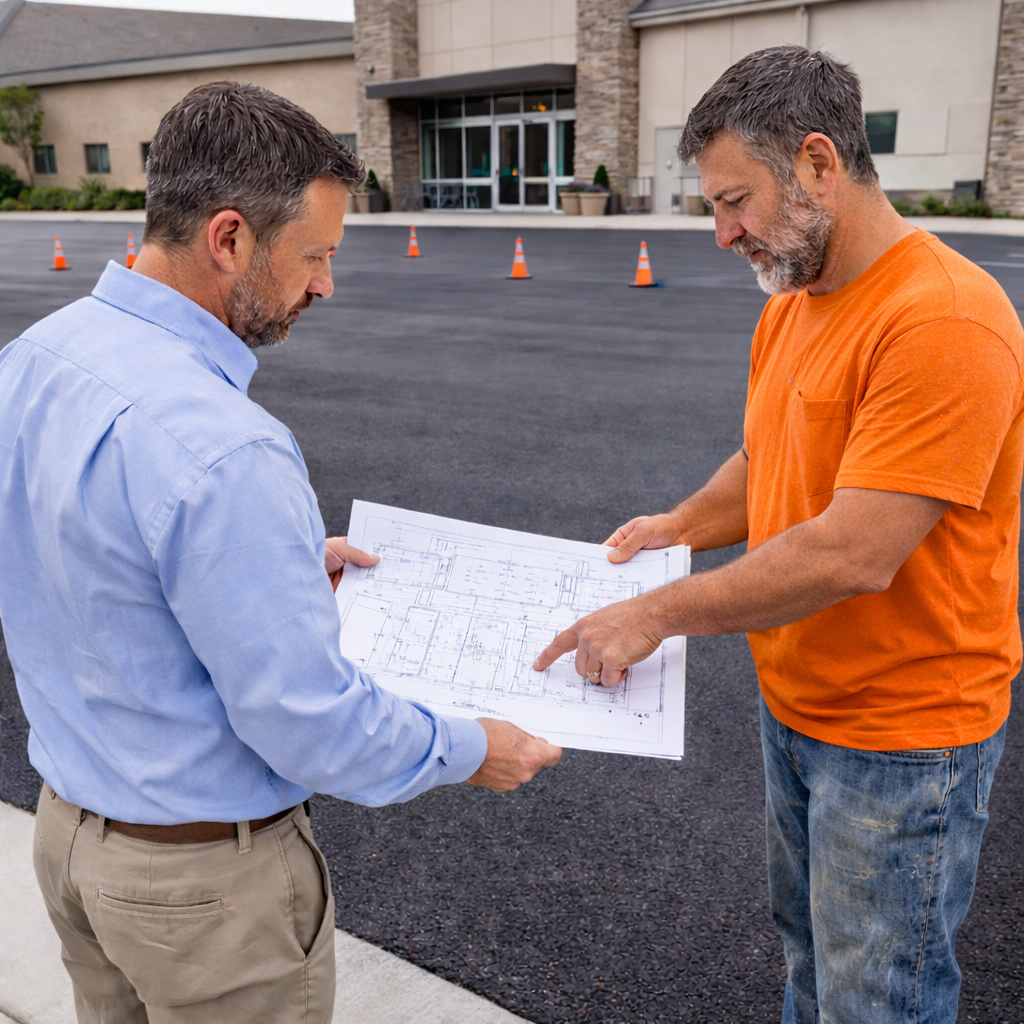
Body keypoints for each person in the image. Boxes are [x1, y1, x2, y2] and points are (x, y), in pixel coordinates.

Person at [0, 81, 560, 1024]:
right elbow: (308, 723)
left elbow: (71, 557)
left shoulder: (34, 359)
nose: (325, 285)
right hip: (201, 897)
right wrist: (474, 749)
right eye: (316, 255)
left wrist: (273, 570)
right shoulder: (228, 449)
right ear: (229, 238)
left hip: (68, 841)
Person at [535, 46, 1021, 1024]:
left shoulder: (944, 319)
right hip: (797, 707)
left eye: (734, 202)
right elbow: (770, 462)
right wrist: (678, 526)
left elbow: (855, 550)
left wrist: (656, 613)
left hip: (901, 739)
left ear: (816, 163)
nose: (722, 234)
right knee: (810, 963)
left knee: (875, 1000)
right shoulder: (795, 303)